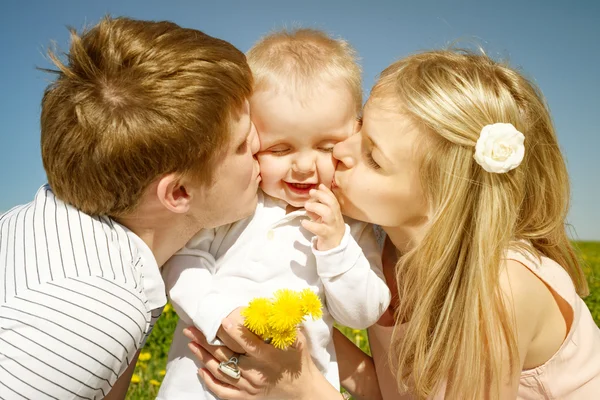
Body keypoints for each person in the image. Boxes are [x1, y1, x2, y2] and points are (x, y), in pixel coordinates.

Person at [184, 49, 600, 399]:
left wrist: (304, 385)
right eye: (360, 128)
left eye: (373, 157)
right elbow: (385, 388)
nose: (339, 152)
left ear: (442, 195)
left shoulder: (500, 288)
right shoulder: (370, 246)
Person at [0, 16, 260, 400]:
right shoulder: (89, 311)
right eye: (240, 145)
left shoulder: (52, 226)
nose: (260, 141)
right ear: (179, 194)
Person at [158, 28, 391, 400]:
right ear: (251, 138)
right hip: (200, 384)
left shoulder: (349, 226)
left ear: (355, 133)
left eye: (326, 146)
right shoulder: (237, 205)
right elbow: (182, 263)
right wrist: (217, 313)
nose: (303, 166)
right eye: (279, 149)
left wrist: (335, 246)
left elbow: (362, 313)